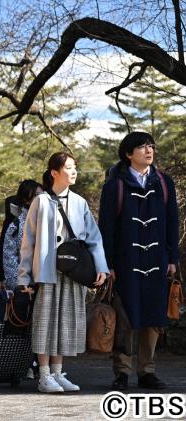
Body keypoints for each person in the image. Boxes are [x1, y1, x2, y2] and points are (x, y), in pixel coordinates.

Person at [17, 152, 109, 393]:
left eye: (75, 166)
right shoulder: (41, 202)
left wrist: (101, 267)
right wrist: (23, 278)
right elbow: (29, 242)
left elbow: (94, 238)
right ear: (54, 173)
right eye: (69, 167)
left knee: (66, 322)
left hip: (74, 272)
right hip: (48, 271)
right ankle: (44, 375)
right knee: (45, 323)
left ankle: (58, 373)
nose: (74, 171)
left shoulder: (80, 202)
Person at [98, 132, 179, 391]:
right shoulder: (115, 185)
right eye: (142, 146)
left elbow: (172, 224)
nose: (149, 150)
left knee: (153, 317)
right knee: (125, 317)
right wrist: (107, 263)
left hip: (157, 260)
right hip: (125, 261)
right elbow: (106, 228)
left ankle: (147, 371)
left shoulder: (164, 183)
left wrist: (172, 258)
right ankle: (121, 372)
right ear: (128, 154)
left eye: (151, 146)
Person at [1, 180, 43, 290]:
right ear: (26, 199)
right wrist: (19, 284)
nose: (41, 198)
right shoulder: (16, 225)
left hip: (47, 284)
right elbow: (9, 257)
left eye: (43, 194)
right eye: (37, 195)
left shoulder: (50, 220)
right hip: (25, 286)